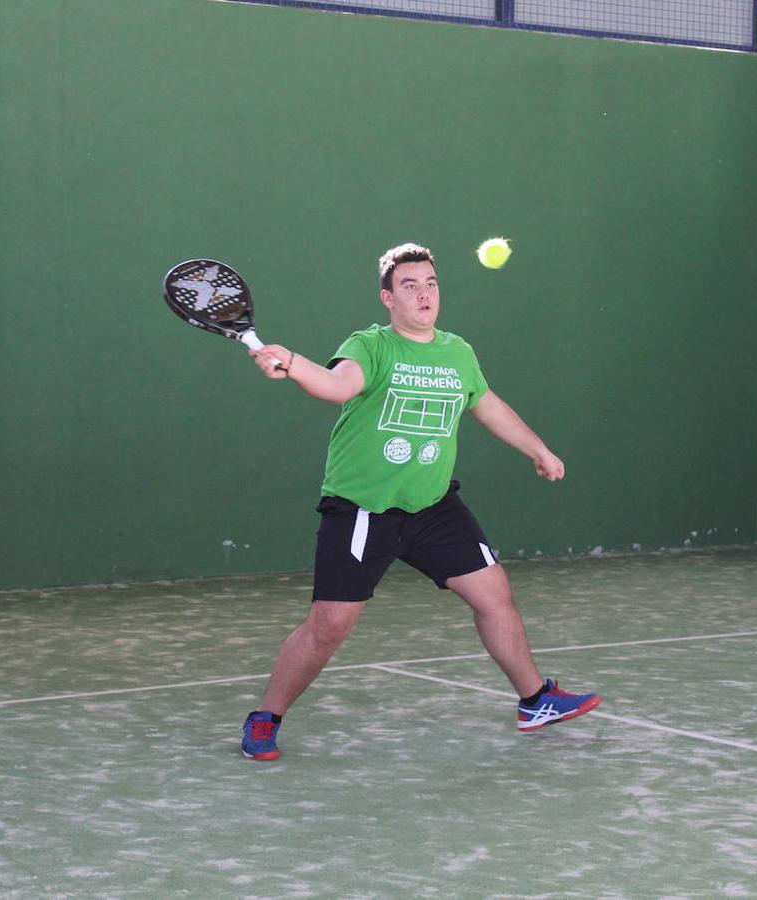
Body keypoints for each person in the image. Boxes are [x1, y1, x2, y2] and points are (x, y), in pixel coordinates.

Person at [240, 242, 600, 760]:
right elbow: (339, 386)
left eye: (430, 284)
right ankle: (265, 718)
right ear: (388, 298)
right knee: (329, 626)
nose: (424, 294)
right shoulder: (371, 345)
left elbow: (487, 404)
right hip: (365, 508)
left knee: (494, 596)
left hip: (432, 508)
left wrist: (537, 449)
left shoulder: (457, 352)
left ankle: (536, 700)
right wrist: (293, 363)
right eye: (410, 286)